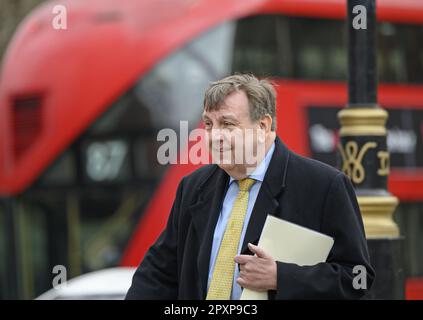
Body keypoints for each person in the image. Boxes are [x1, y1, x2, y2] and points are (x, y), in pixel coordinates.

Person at [125, 74, 375, 300]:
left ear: (263, 127)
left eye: (227, 124)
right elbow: (158, 274)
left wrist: (281, 277)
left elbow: (357, 277)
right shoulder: (193, 187)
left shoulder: (324, 186)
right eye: (209, 124)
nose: (213, 136)